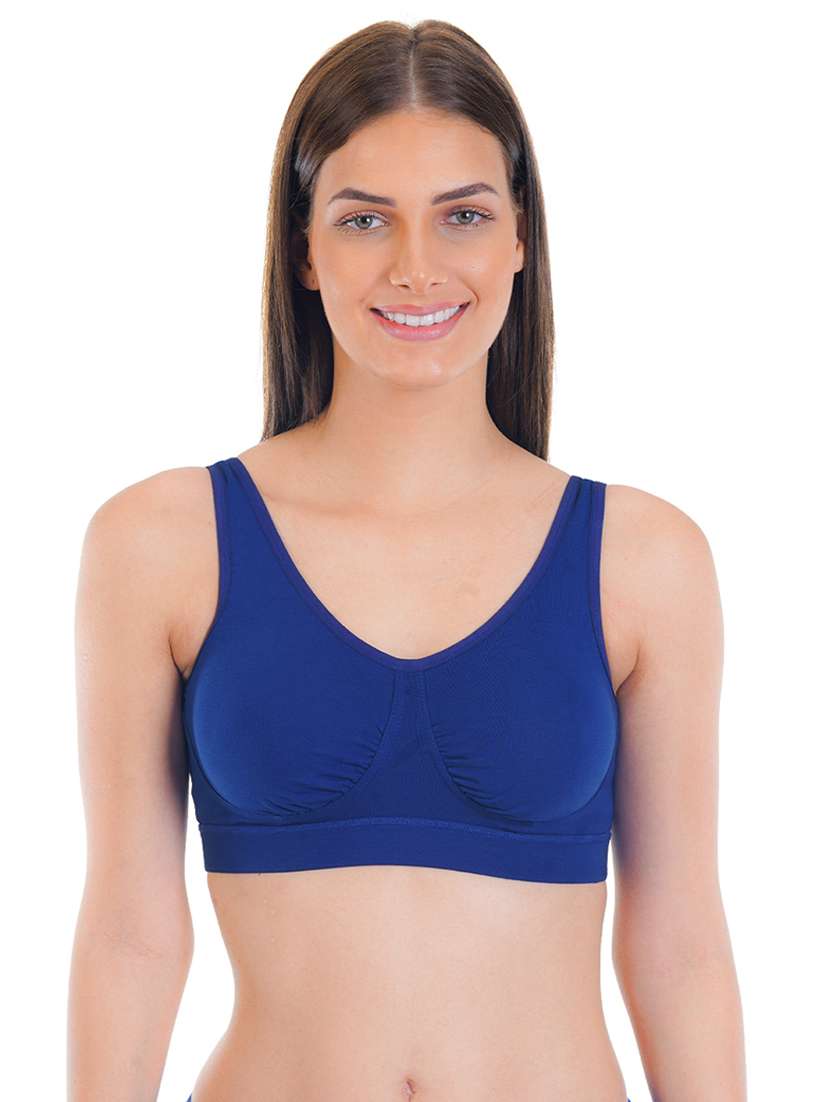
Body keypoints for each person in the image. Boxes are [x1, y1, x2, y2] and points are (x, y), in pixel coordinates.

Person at [67, 19, 746, 1102]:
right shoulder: (161, 543)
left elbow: (680, 946)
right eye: (364, 218)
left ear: (519, 239)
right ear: (304, 249)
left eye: (462, 215)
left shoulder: (644, 560)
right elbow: (129, 934)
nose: (416, 267)